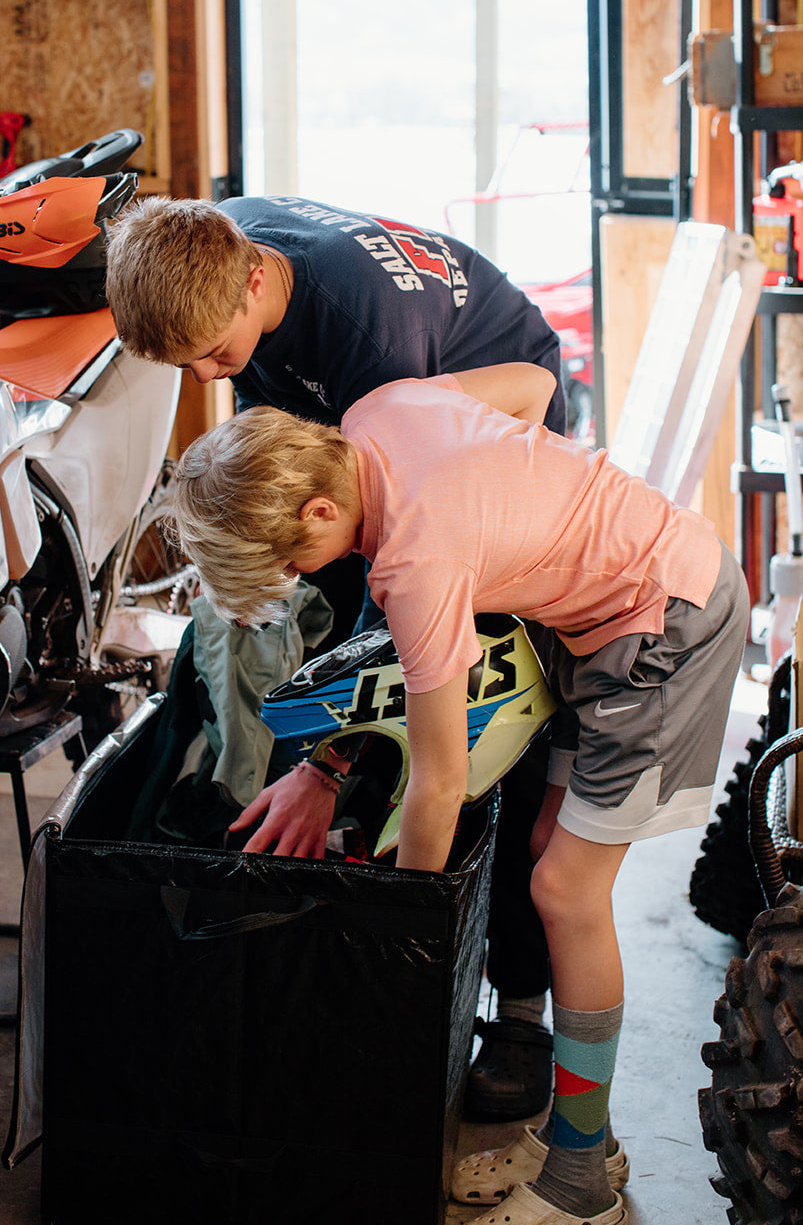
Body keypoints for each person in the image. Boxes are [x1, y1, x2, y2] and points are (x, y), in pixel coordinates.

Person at [166, 368, 749, 1225]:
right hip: (594, 623)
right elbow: (530, 385)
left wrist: (400, 936)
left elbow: (435, 788)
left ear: (320, 512)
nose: (298, 577)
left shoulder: (414, 564)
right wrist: (522, 511)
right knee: (543, 853)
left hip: (664, 623)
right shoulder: (376, 412)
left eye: (292, 561)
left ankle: (579, 1184)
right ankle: (581, 1133)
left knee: (564, 892)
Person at [106, 191, 564, 1120]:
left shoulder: (373, 352)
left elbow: (387, 595)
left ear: (254, 277)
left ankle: (518, 1012)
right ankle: (307, 921)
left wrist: (330, 761)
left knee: (484, 719)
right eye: (185, 361)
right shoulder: (211, 248)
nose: (205, 375)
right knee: (297, 664)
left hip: (489, 414)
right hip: (364, 432)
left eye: (216, 355)